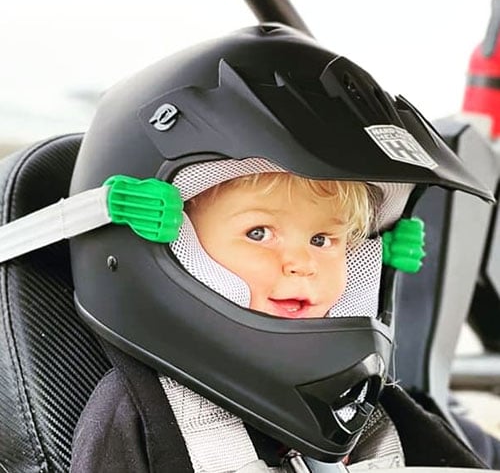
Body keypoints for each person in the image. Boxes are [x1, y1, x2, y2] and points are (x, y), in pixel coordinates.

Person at [68, 24, 494, 472]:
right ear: (171, 242)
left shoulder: (371, 408)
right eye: (259, 233)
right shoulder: (144, 414)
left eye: (323, 240)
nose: (302, 263)